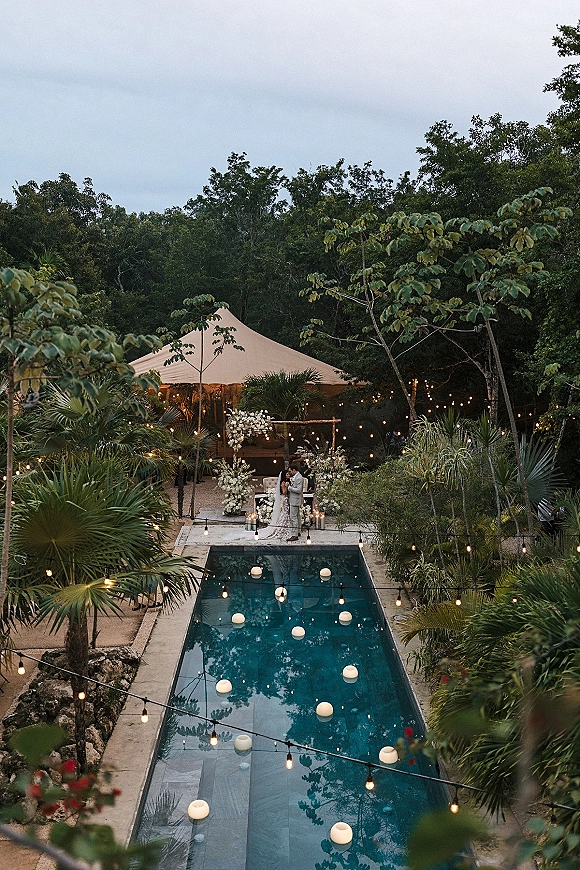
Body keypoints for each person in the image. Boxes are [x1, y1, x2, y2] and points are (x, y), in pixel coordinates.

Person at [286, 461, 304, 542]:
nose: (290, 473)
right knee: (297, 517)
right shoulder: (296, 477)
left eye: (290, 471)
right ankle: (298, 531)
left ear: (294, 470)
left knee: (293, 517)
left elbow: (299, 490)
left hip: (295, 500)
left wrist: (289, 488)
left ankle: (295, 535)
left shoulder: (299, 477)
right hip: (294, 499)